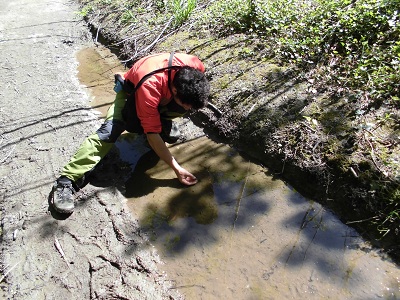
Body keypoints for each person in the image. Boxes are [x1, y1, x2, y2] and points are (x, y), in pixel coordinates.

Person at [51, 52, 210, 214]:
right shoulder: (151, 85)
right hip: (132, 94)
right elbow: (152, 136)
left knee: (179, 108)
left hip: (159, 96)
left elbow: (188, 98)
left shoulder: (195, 66)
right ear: (175, 90)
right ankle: (66, 181)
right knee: (109, 132)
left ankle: (161, 121)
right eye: (186, 104)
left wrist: (182, 106)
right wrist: (177, 169)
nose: (188, 109)